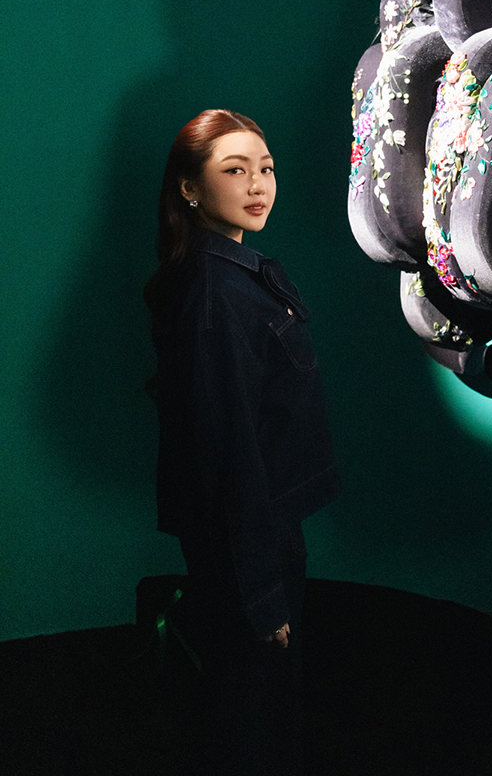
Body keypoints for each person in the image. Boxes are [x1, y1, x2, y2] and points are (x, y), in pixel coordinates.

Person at [144, 109, 339, 775]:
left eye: (266, 169)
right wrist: (260, 594)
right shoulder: (217, 296)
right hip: (247, 538)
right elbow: (227, 454)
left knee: (262, 708)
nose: (258, 185)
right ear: (190, 188)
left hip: (258, 528)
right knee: (255, 719)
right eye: (235, 170)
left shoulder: (231, 275)